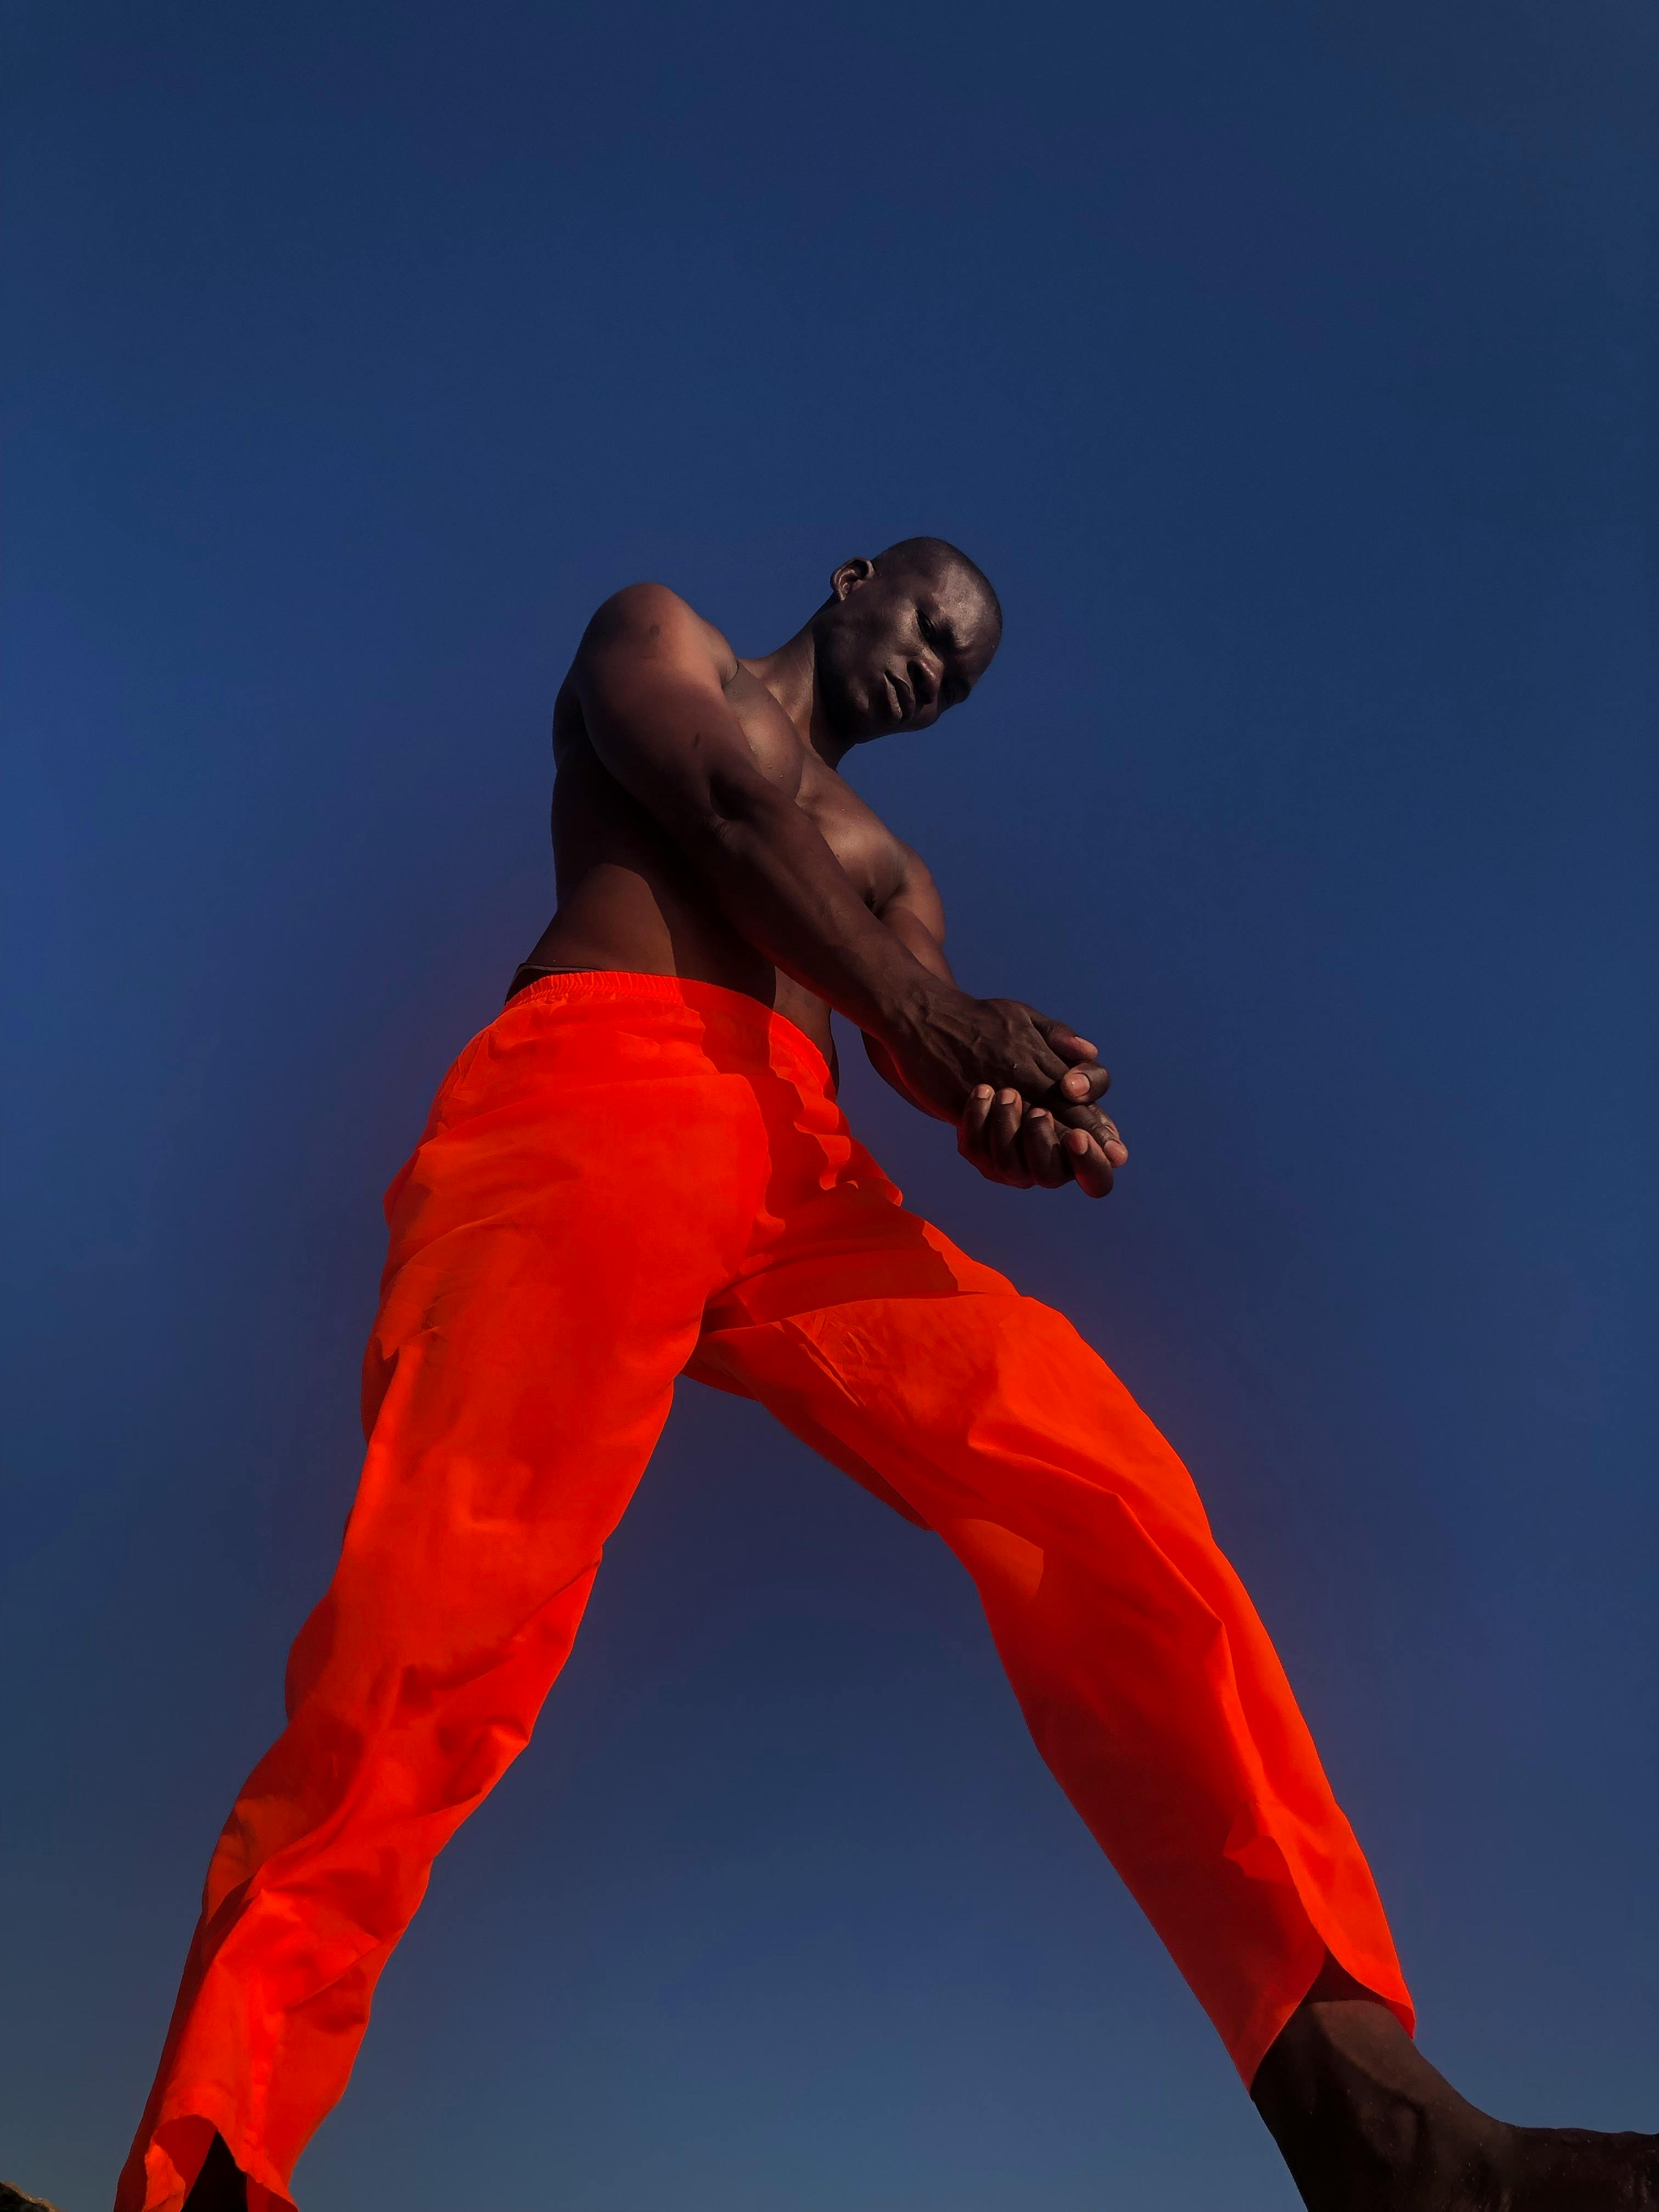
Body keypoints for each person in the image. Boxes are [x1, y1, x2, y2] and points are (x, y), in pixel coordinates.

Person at [120, 540, 1655, 2212]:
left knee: (1117, 1507)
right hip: (597, 1090)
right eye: (934, 622)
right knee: (438, 1623)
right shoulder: (663, 635)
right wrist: (935, 1019)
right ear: (855, 580)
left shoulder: (894, 867)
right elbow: (727, 811)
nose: (940, 666)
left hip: (810, 1173)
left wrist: (1012, 1112)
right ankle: (214, 2158)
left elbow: (920, 1043)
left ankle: (1379, 2133)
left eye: (966, 671)